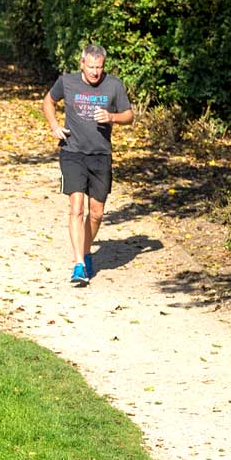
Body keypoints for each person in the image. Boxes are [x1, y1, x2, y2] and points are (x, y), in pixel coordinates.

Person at [42, 44, 134, 285]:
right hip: (72, 152)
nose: (95, 72)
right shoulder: (67, 82)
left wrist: (112, 117)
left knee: (96, 213)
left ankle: (85, 250)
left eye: (99, 67)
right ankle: (79, 265)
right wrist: (53, 126)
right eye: (91, 67)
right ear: (81, 63)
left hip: (100, 155)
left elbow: (129, 115)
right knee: (77, 208)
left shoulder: (114, 85)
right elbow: (49, 101)